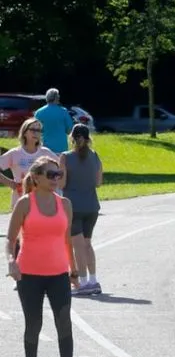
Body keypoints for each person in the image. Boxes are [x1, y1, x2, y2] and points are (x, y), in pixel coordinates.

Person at [5, 156, 84, 357]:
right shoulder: (25, 204)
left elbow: (66, 240)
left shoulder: (65, 204)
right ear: (36, 178)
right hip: (29, 274)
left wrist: (73, 270)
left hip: (58, 273)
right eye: (51, 175)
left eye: (58, 174)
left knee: (64, 323)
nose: (56, 179)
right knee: (34, 324)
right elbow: (10, 239)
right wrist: (10, 261)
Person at [0, 118, 59, 262]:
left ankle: (41, 265)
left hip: (42, 202)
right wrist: (10, 183)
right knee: (18, 236)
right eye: (33, 129)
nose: (36, 133)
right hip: (20, 201)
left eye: (39, 130)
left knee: (41, 235)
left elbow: (59, 168)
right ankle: (17, 267)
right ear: (24, 132)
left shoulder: (45, 153)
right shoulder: (15, 154)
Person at [60, 124, 103, 295]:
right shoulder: (95, 155)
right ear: (88, 138)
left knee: (77, 246)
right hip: (91, 206)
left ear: (71, 138)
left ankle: (83, 282)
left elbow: (62, 183)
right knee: (87, 244)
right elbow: (98, 182)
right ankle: (93, 280)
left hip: (73, 206)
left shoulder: (65, 157)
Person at [33, 88, 73, 154]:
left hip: (44, 147)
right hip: (61, 147)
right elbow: (69, 130)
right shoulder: (63, 111)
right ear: (57, 98)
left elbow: (35, 131)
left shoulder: (39, 112)